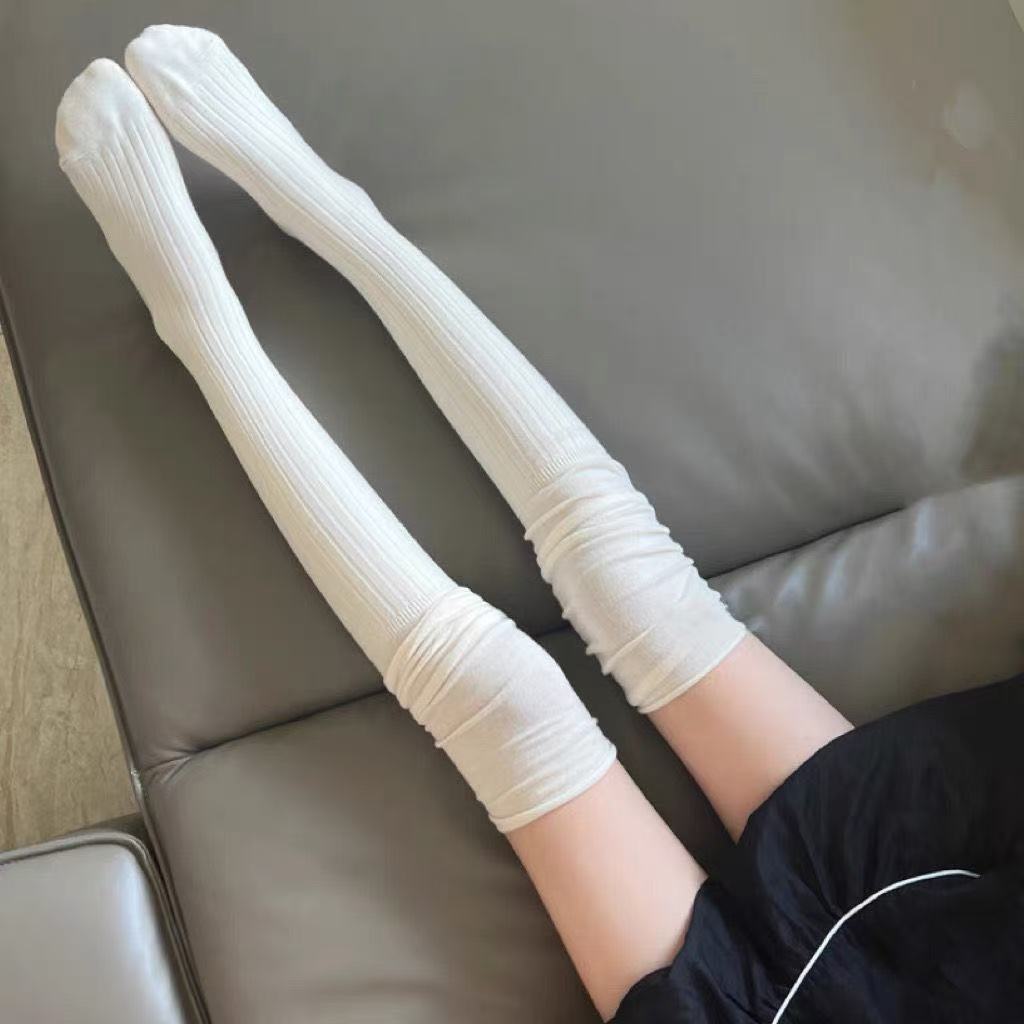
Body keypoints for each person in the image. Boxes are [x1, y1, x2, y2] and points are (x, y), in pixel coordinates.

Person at [56, 28, 1023, 1022]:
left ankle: (200, 324)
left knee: (502, 700)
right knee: (636, 587)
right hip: (951, 901)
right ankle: (332, 210)